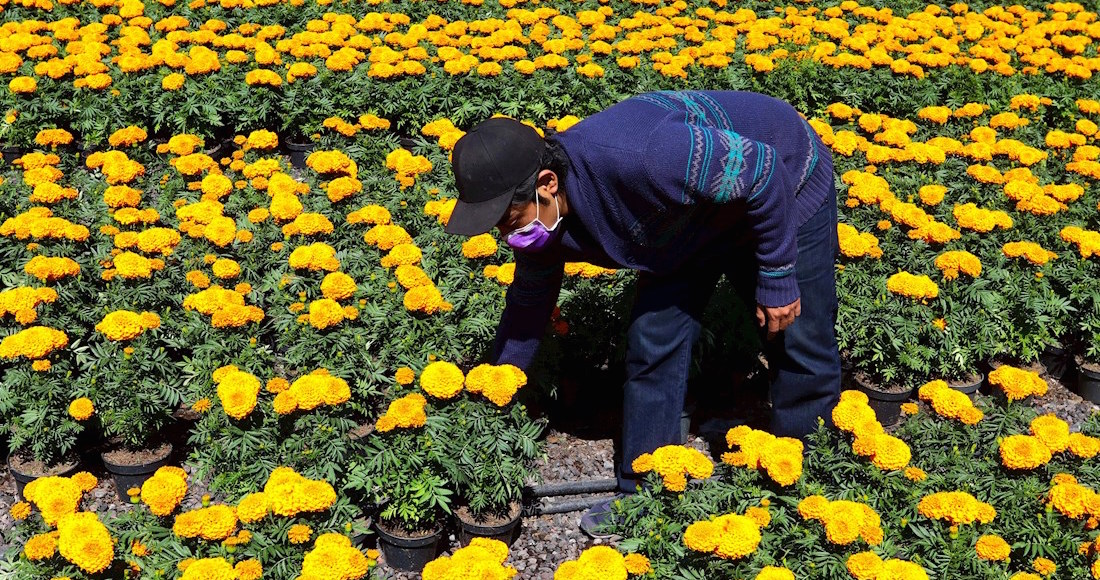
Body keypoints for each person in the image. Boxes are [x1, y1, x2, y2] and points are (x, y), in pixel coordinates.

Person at [444, 90, 841, 536]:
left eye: (509, 219)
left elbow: (764, 172)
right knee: (652, 340)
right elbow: (527, 307)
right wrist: (498, 384)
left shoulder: (643, 156)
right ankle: (645, 494)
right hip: (687, 224)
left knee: (797, 338)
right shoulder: (542, 224)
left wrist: (778, 275)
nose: (506, 235)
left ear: (547, 184)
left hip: (783, 182)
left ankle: (807, 489)